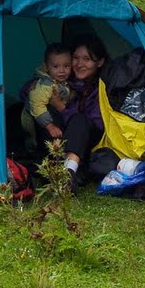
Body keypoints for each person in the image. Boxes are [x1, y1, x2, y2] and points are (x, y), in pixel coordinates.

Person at [46, 34, 108, 193]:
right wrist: (38, 87)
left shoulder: (103, 87)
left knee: (80, 120)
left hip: (89, 142)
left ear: (100, 62)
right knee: (42, 109)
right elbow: (26, 91)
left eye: (87, 59)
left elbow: (96, 122)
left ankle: (68, 173)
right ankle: (55, 166)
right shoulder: (65, 79)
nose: (79, 64)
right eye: (75, 58)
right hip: (61, 138)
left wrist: (61, 107)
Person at [20, 43, 73, 151]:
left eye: (66, 66)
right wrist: (50, 126)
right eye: (56, 66)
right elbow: (37, 105)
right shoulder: (45, 85)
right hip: (35, 120)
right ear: (46, 67)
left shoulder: (62, 82)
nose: (62, 70)